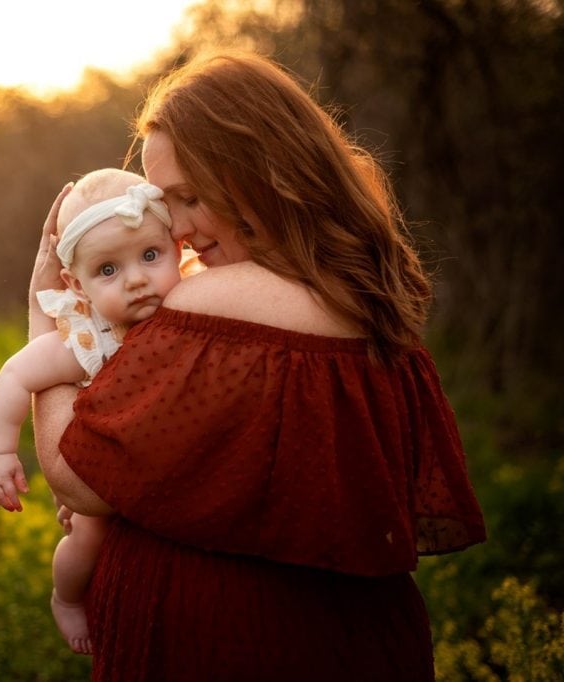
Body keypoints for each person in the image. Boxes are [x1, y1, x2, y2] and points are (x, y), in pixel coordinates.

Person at [29, 50, 487, 681]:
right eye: (167, 209)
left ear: (259, 171)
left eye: (189, 198)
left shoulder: (211, 305)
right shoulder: (366, 301)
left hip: (237, 648)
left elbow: (77, 475)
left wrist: (43, 313)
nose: (181, 232)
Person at [0, 168, 186, 655]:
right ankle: (66, 599)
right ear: (76, 282)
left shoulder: (196, 307)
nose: (136, 280)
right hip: (104, 474)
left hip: (165, 482)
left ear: (179, 248)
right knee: (86, 537)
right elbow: (15, 376)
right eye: (108, 270)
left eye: (150, 256)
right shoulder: (90, 339)